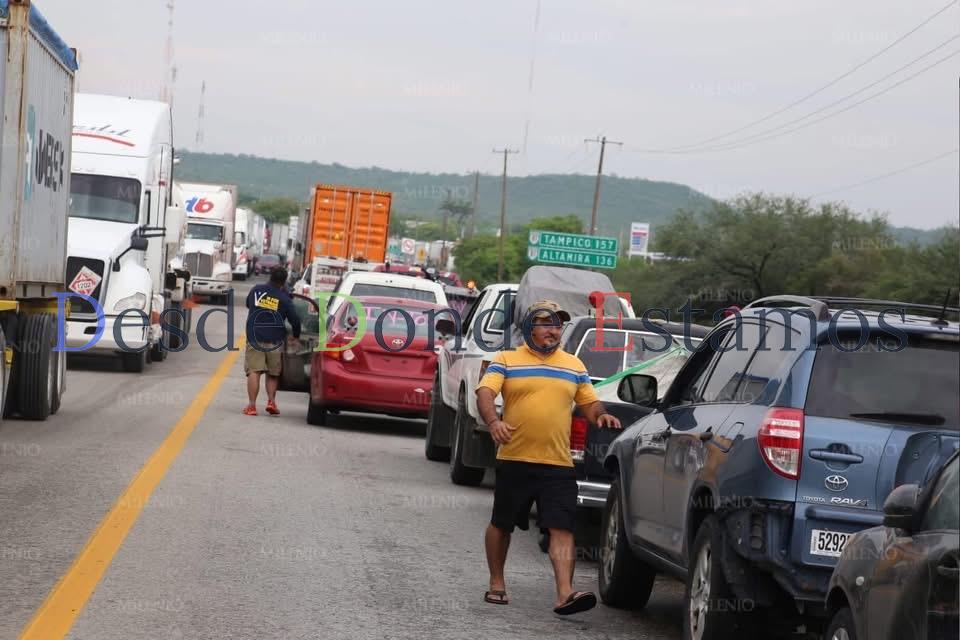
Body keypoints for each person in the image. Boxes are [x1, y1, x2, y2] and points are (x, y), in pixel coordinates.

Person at [475, 299, 621, 615]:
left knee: (562, 527)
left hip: (558, 464)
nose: (554, 330)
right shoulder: (506, 358)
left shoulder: (574, 365)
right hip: (515, 459)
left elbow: (589, 402)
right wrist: (493, 422)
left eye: (558, 324)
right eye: (546, 323)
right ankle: (497, 582)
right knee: (502, 523)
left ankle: (565, 594)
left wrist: (602, 415)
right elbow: (485, 392)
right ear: (530, 327)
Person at [243, 266, 301, 416]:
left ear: (270, 277)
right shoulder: (284, 298)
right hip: (275, 339)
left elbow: (248, 304)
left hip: (255, 336)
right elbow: (295, 320)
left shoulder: (256, 290)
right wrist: (296, 335)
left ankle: (252, 406)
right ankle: (271, 402)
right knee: (273, 373)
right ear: (284, 281)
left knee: (254, 371)